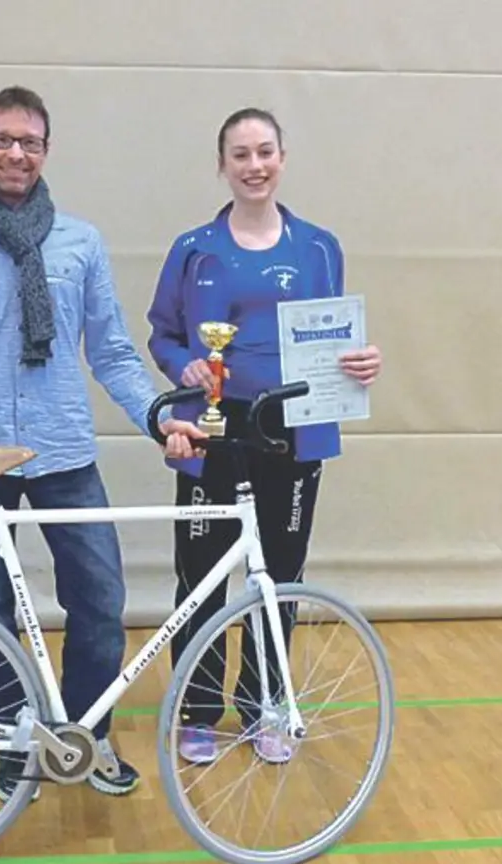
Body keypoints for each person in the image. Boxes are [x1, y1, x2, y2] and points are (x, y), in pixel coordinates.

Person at [0, 85, 204, 801]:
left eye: (29, 142)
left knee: (100, 599)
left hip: (64, 450)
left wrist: (158, 416)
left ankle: (85, 736)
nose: (15, 153)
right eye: (2, 139)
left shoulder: (81, 243)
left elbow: (113, 350)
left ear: (46, 150)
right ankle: (14, 742)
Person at [145, 108, 382, 766]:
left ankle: (264, 704)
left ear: (282, 157)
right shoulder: (193, 250)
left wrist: (360, 363)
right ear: (221, 165)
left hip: (292, 435)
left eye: (265, 152)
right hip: (213, 431)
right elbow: (162, 333)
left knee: (279, 574)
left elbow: (334, 339)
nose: (254, 166)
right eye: (241, 154)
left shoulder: (318, 248)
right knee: (202, 576)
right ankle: (198, 710)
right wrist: (183, 367)